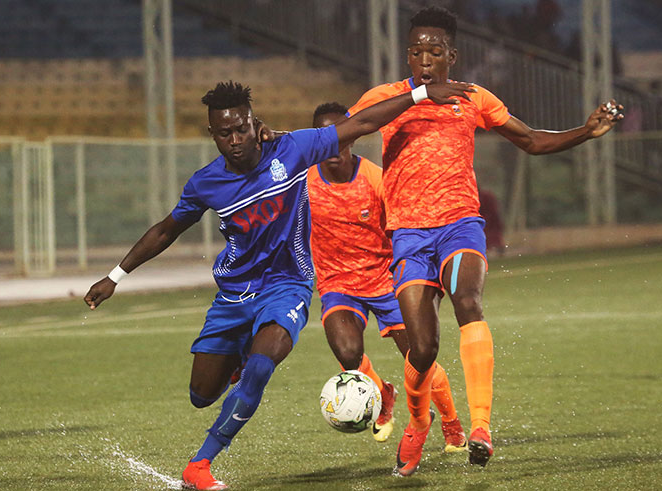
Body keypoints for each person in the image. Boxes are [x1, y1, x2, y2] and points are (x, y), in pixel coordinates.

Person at [83, 79, 474, 491]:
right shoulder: (205, 183)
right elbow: (166, 230)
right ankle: (234, 360)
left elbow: (359, 124)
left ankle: (200, 465)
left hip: (289, 286)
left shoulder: (292, 150)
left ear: (256, 124)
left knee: (261, 366)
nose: (234, 140)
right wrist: (114, 277)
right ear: (212, 134)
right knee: (201, 394)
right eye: (224, 133)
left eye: (241, 129)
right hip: (234, 295)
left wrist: (421, 94)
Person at [346, 6, 623, 476]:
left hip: (459, 223)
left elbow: (531, 140)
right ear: (407, 57)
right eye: (417, 52)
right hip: (410, 235)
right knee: (424, 347)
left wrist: (586, 131)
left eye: (435, 51)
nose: (426, 60)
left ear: (452, 55)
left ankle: (480, 428)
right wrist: (416, 96)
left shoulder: (473, 98)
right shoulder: (390, 98)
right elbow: (351, 129)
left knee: (468, 301)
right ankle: (418, 422)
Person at [307, 102, 467, 450]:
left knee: (420, 359)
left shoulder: (376, 180)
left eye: (340, 136)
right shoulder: (302, 185)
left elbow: (406, 229)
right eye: (324, 138)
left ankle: (453, 426)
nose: (333, 146)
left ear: (352, 135)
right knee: (348, 353)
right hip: (338, 286)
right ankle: (381, 393)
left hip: (386, 281)